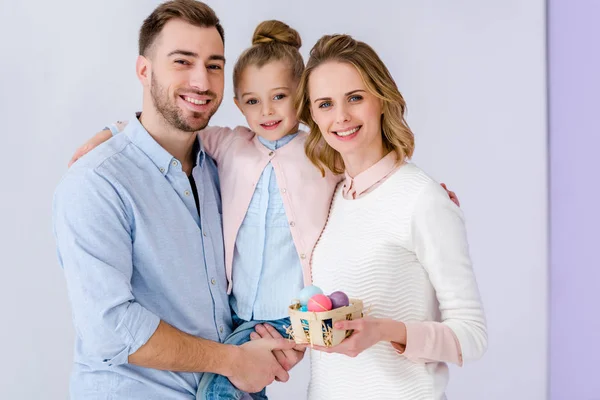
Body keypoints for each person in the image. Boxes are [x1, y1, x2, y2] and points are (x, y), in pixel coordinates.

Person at [52, 2, 299, 399]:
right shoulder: (96, 182)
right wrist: (233, 361)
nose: (202, 81)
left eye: (214, 65)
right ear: (144, 70)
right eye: (183, 62)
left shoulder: (226, 164)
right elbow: (110, 327)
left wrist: (274, 339)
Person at [253, 34, 488, 400]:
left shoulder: (423, 198)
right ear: (312, 115)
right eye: (326, 104)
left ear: (381, 99)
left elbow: (472, 336)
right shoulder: (330, 197)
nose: (341, 116)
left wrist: (385, 331)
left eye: (355, 98)